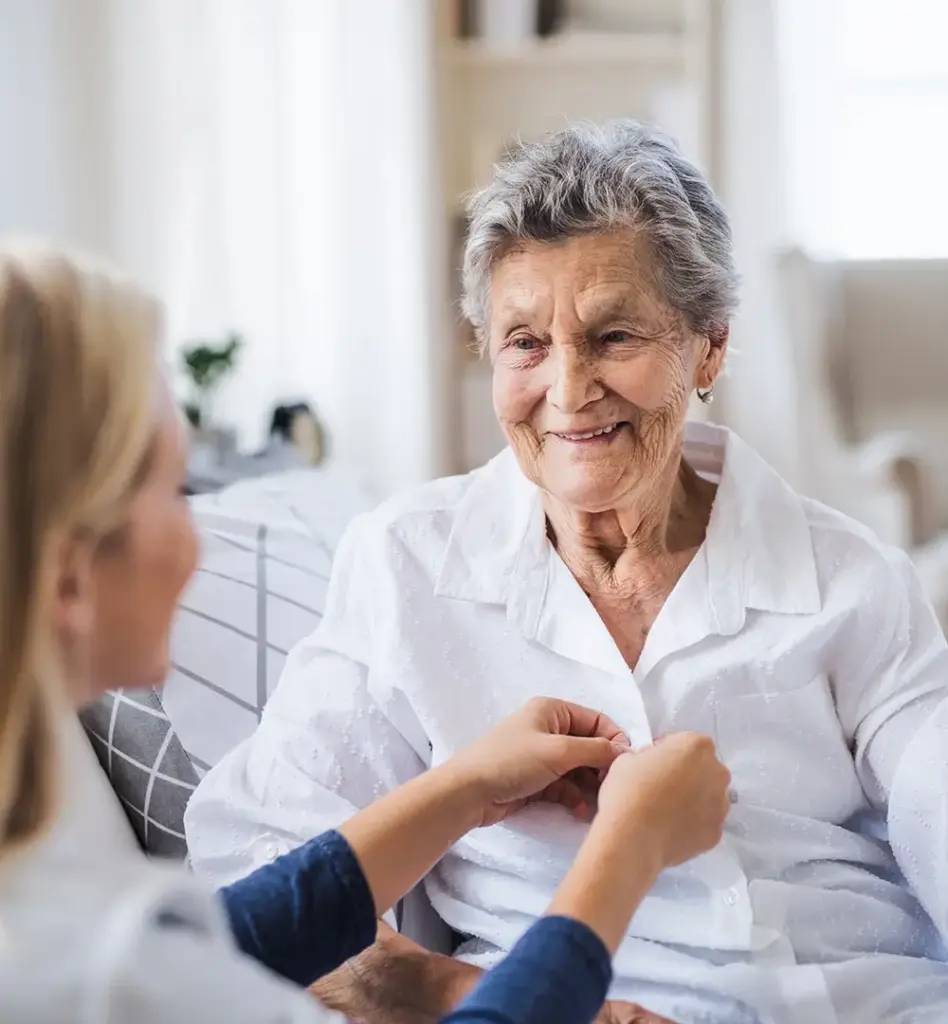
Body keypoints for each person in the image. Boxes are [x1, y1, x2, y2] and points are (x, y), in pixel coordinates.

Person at [186, 119, 948, 1024]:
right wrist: (445, 988)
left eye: (614, 335)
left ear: (708, 347)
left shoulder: (852, 576)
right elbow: (255, 854)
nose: (569, 387)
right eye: (525, 343)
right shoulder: (409, 565)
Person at [0, 246, 733, 1024]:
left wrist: (463, 787)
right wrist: (627, 848)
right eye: (172, 494)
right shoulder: (93, 977)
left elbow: (228, 938)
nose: (201, 541)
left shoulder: (72, 916)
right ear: (72, 575)